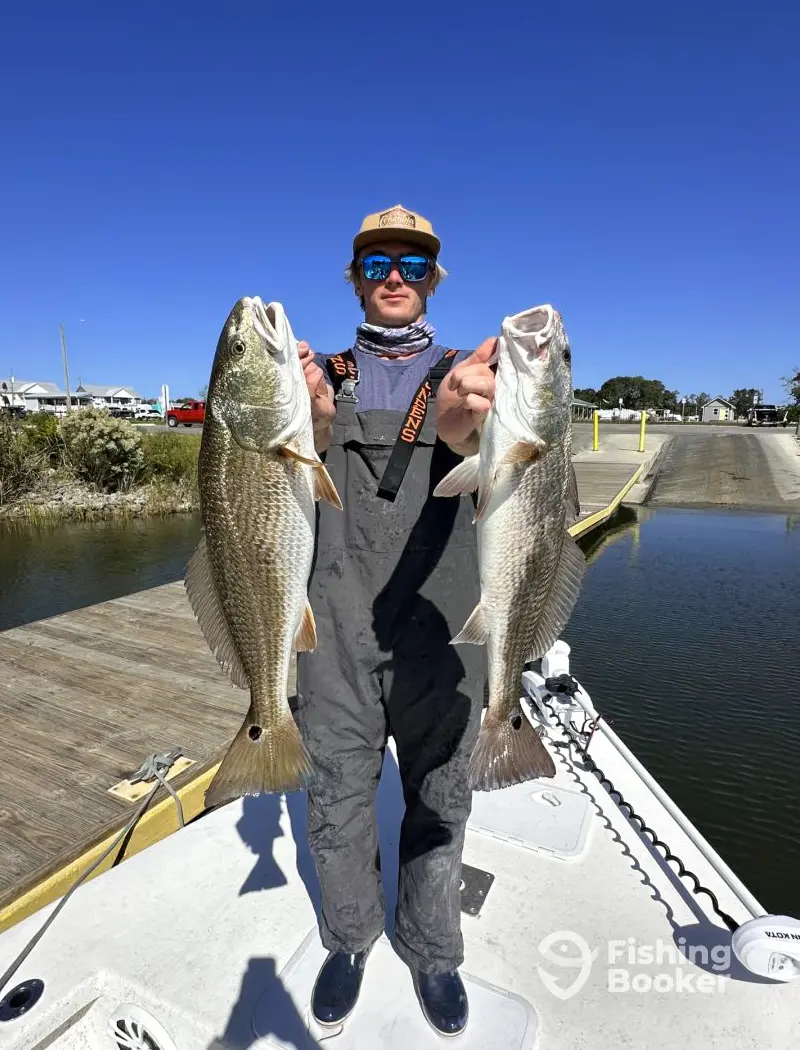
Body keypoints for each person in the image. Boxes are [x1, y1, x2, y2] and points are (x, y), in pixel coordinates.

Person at [293, 204, 496, 1037]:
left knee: (440, 793)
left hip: (440, 627)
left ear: (433, 279)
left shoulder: (470, 372)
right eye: (377, 266)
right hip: (333, 628)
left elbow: (520, 493)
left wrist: (465, 427)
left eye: (412, 266)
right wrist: (305, 420)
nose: (395, 281)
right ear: (355, 279)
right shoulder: (318, 376)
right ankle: (348, 936)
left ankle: (434, 947)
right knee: (337, 792)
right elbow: (283, 484)